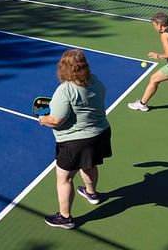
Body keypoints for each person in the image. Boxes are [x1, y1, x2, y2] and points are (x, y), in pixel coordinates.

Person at [38, 48, 112, 230]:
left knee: (64, 178)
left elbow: (56, 120)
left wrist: (42, 119)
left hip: (76, 142)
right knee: (89, 164)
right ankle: (91, 193)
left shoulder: (65, 90)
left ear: (63, 68)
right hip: (100, 133)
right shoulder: (95, 81)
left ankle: (65, 218)